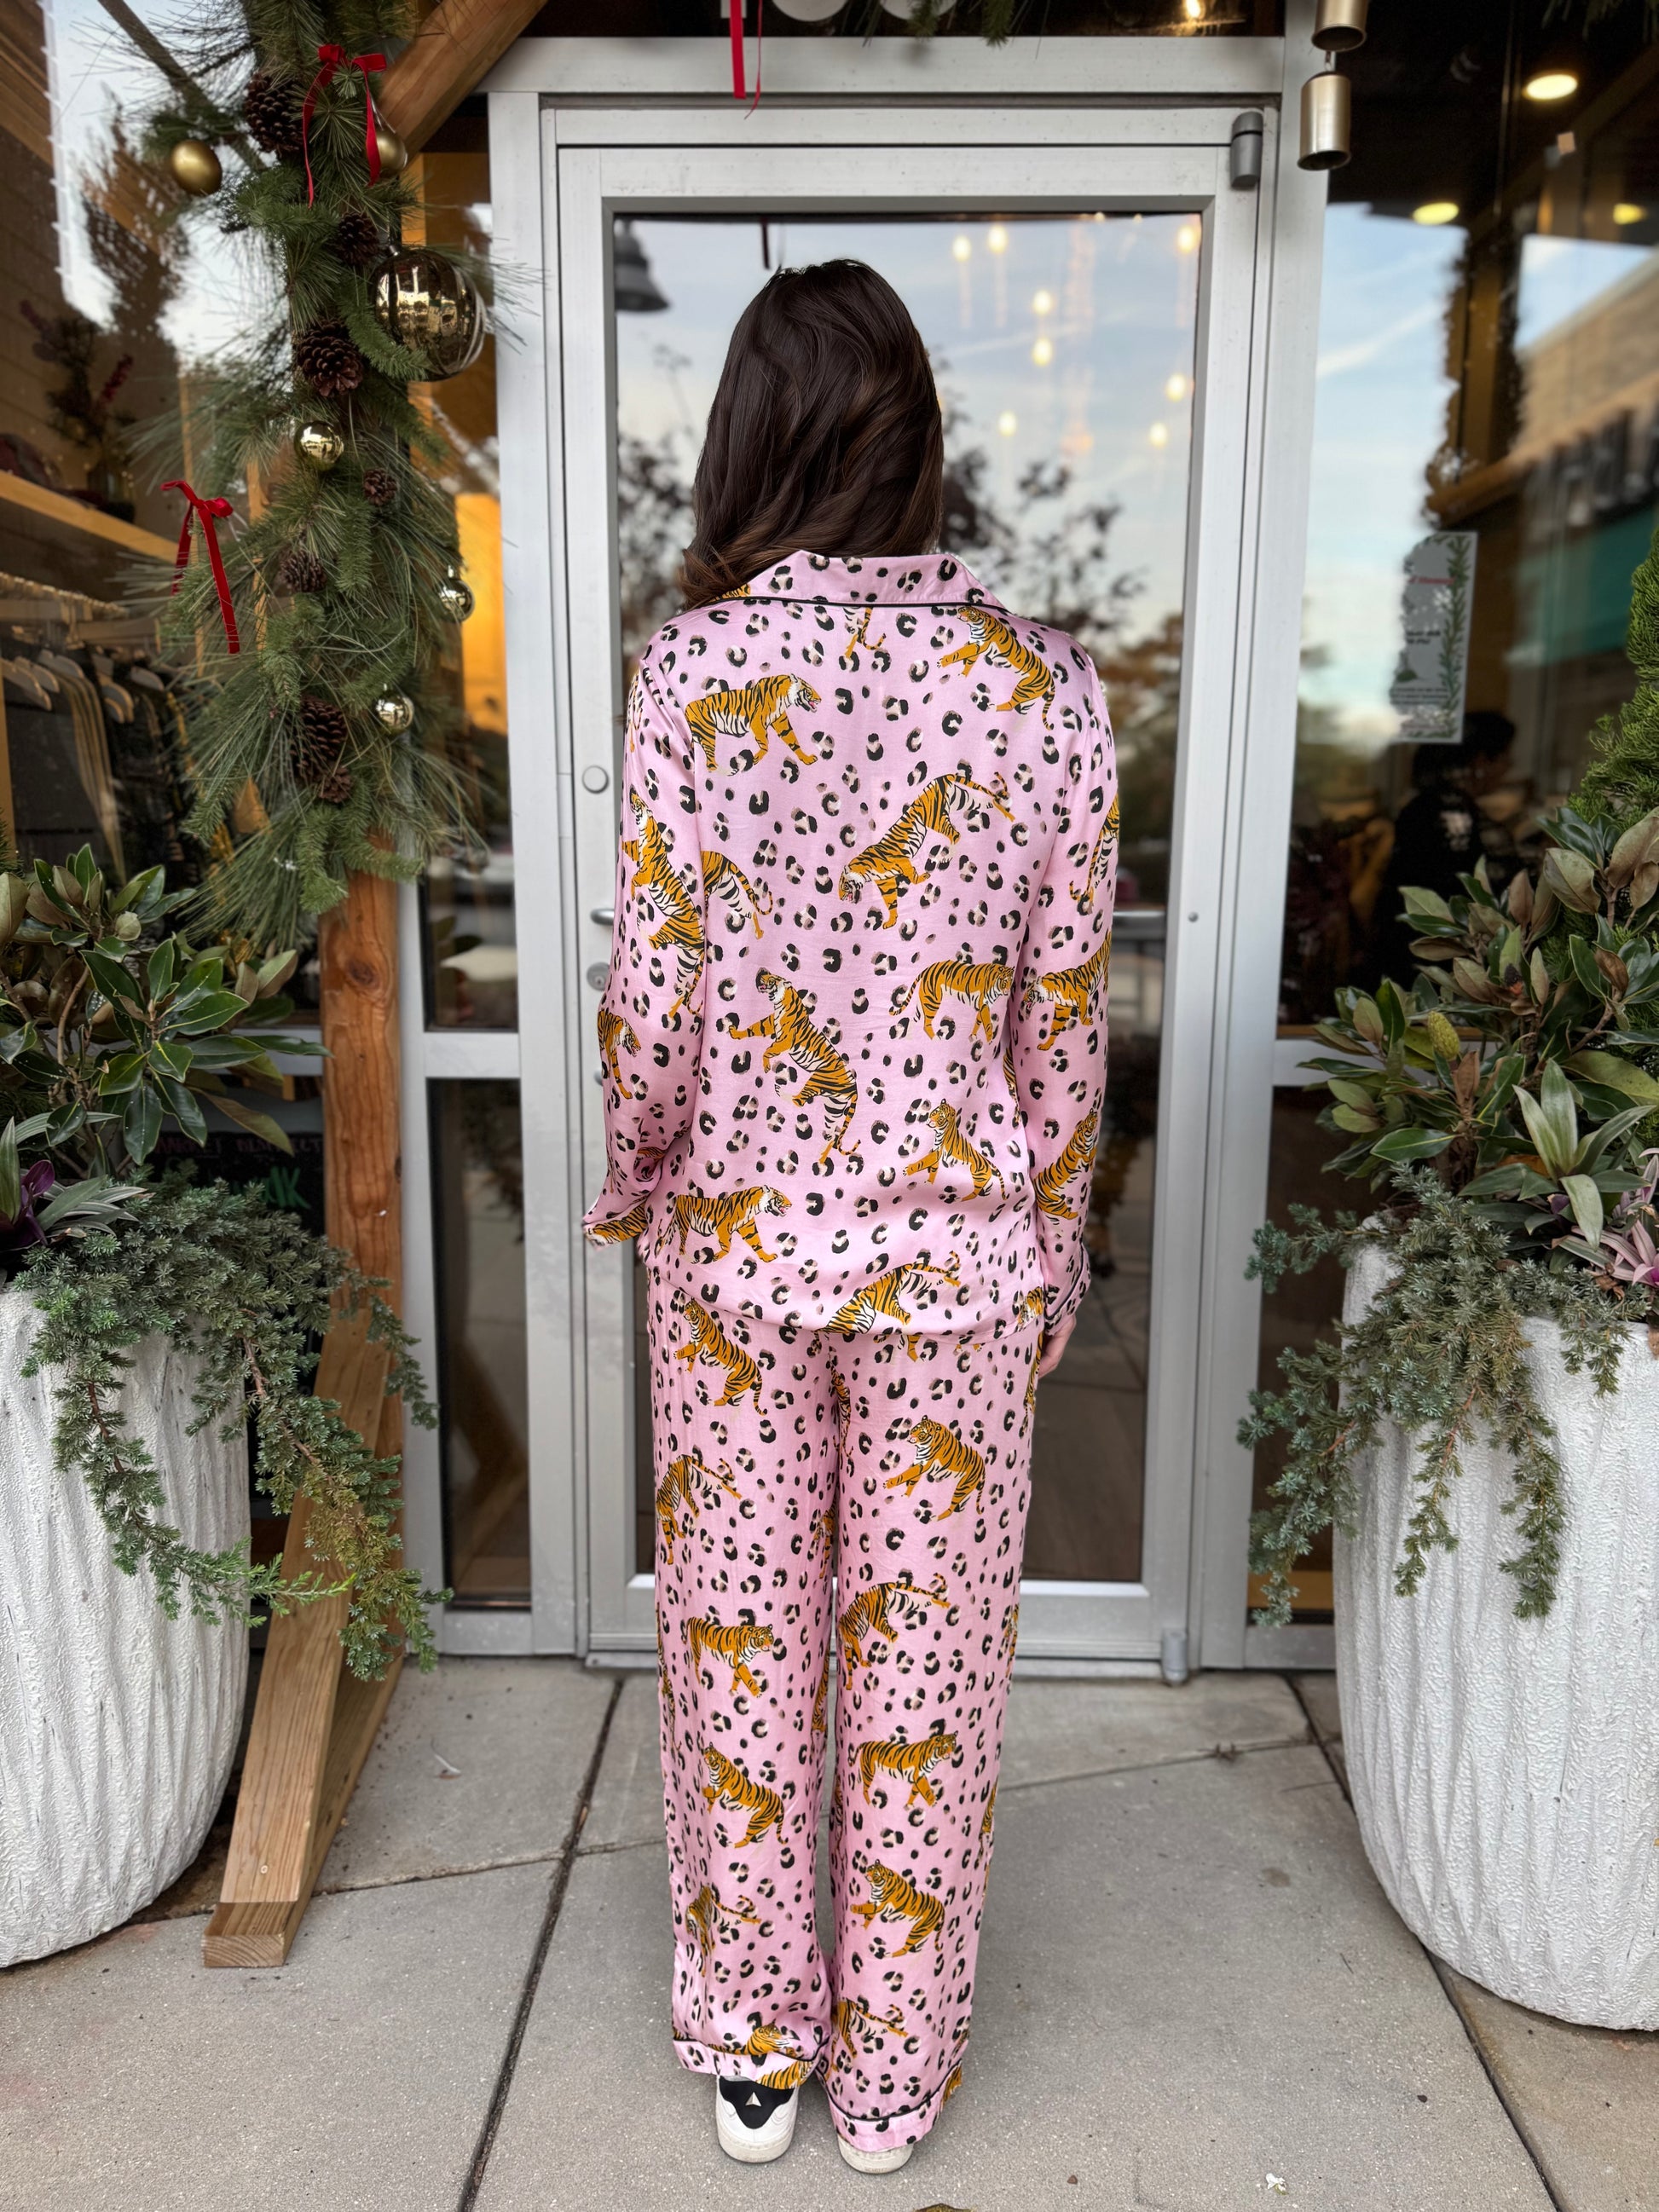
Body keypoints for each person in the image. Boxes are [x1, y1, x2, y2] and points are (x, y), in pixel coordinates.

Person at [583, 258, 1116, 2175]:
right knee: (927, 1673)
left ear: (750, 440)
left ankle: (756, 2043)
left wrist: (639, 1167)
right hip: (957, 1267)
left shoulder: (692, 675)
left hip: (739, 1259)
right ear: (913, 444)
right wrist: (1052, 1243)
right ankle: (893, 2072)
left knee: (740, 1645)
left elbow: (654, 991)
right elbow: (1062, 1016)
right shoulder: (1043, 685)